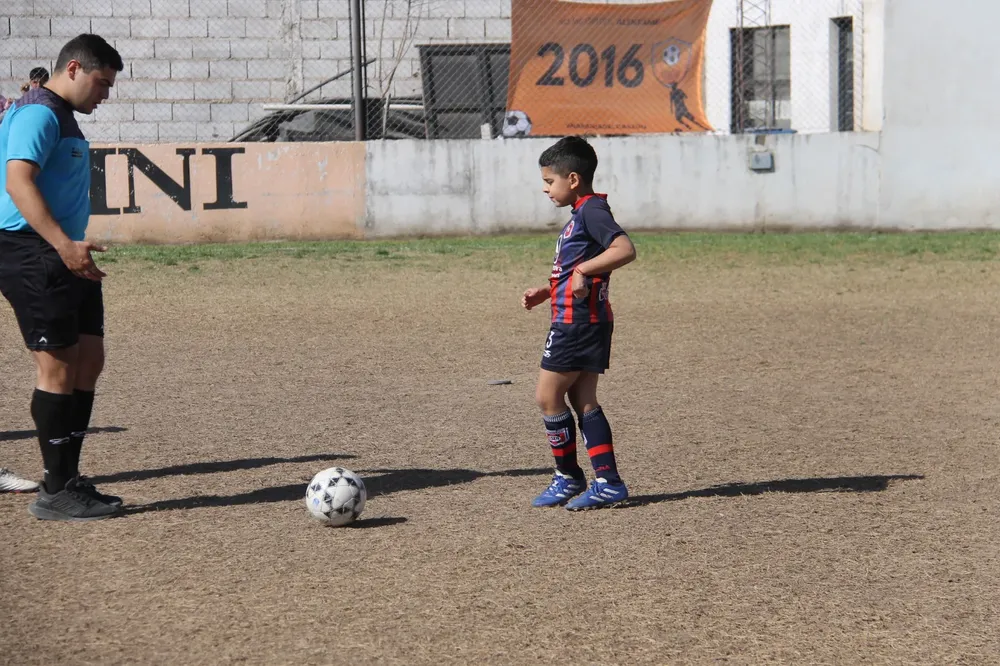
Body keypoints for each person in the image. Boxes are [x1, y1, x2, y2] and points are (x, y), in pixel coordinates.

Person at [0, 34, 124, 521]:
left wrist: (72, 247)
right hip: (37, 251)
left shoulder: (60, 112)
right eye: (102, 82)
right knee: (57, 368)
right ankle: (55, 489)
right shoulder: (39, 113)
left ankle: (68, 478)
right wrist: (62, 245)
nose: (106, 94)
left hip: (67, 251)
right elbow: (17, 181)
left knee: (89, 359)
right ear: (73, 68)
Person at [521, 136, 637, 510]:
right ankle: (607, 481)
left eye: (549, 181)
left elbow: (624, 249)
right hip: (588, 319)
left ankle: (569, 476)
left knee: (547, 396)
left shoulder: (591, 211)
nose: (544, 188)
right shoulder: (584, 213)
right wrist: (548, 289)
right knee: (581, 398)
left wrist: (584, 270)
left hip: (577, 323)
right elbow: (575, 267)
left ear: (573, 179)